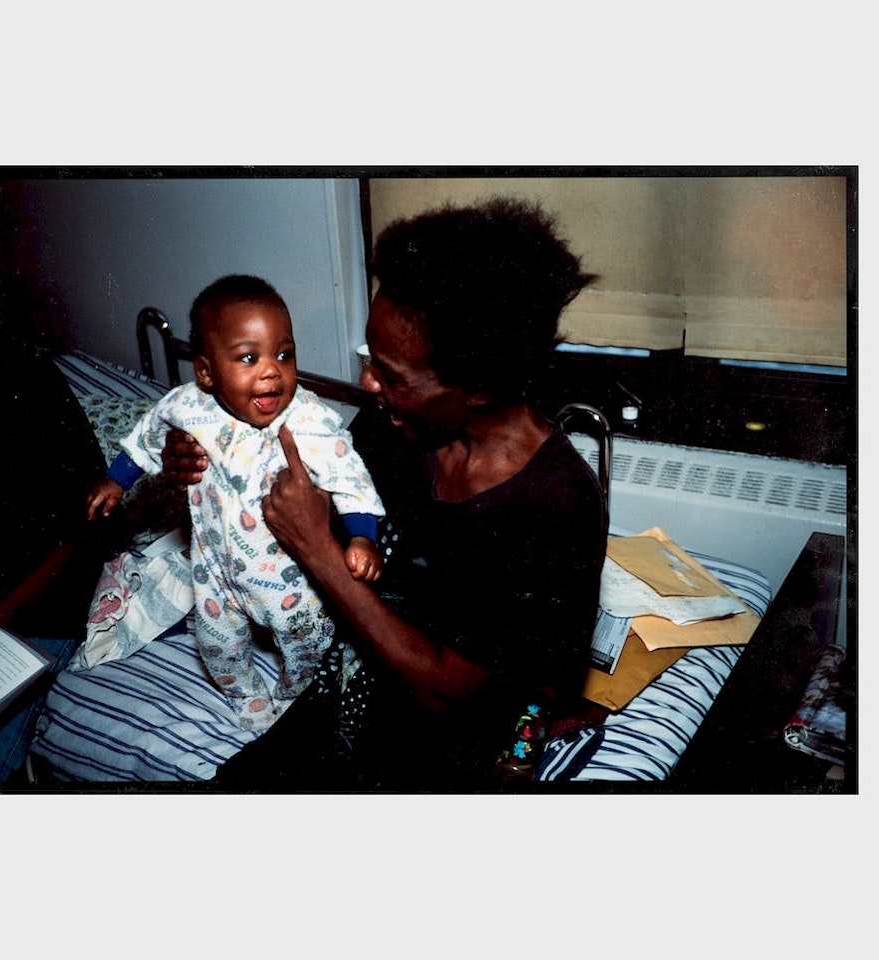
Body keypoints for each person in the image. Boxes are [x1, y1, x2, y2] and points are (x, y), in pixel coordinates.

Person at [161, 198, 609, 790]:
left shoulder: (553, 505)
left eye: (391, 375)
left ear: (477, 386)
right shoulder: (396, 427)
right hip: (354, 675)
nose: (368, 382)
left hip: (445, 728)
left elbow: (444, 690)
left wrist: (318, 549)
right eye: (373, 361)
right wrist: (203, 452)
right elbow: (308, 493)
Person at [86, 274, 385, 733]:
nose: (272, 371)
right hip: (214, 571)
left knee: (308, 640)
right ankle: (245, 693)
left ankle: (295, 692)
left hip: (288, 578)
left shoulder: (308, 419)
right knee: (217, 645)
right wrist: (115, 479)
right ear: (206, 373)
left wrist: (363, 536)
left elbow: (350, 476)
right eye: (249, 357)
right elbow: (147, 436)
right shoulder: (188, 406)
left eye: (284, 354)